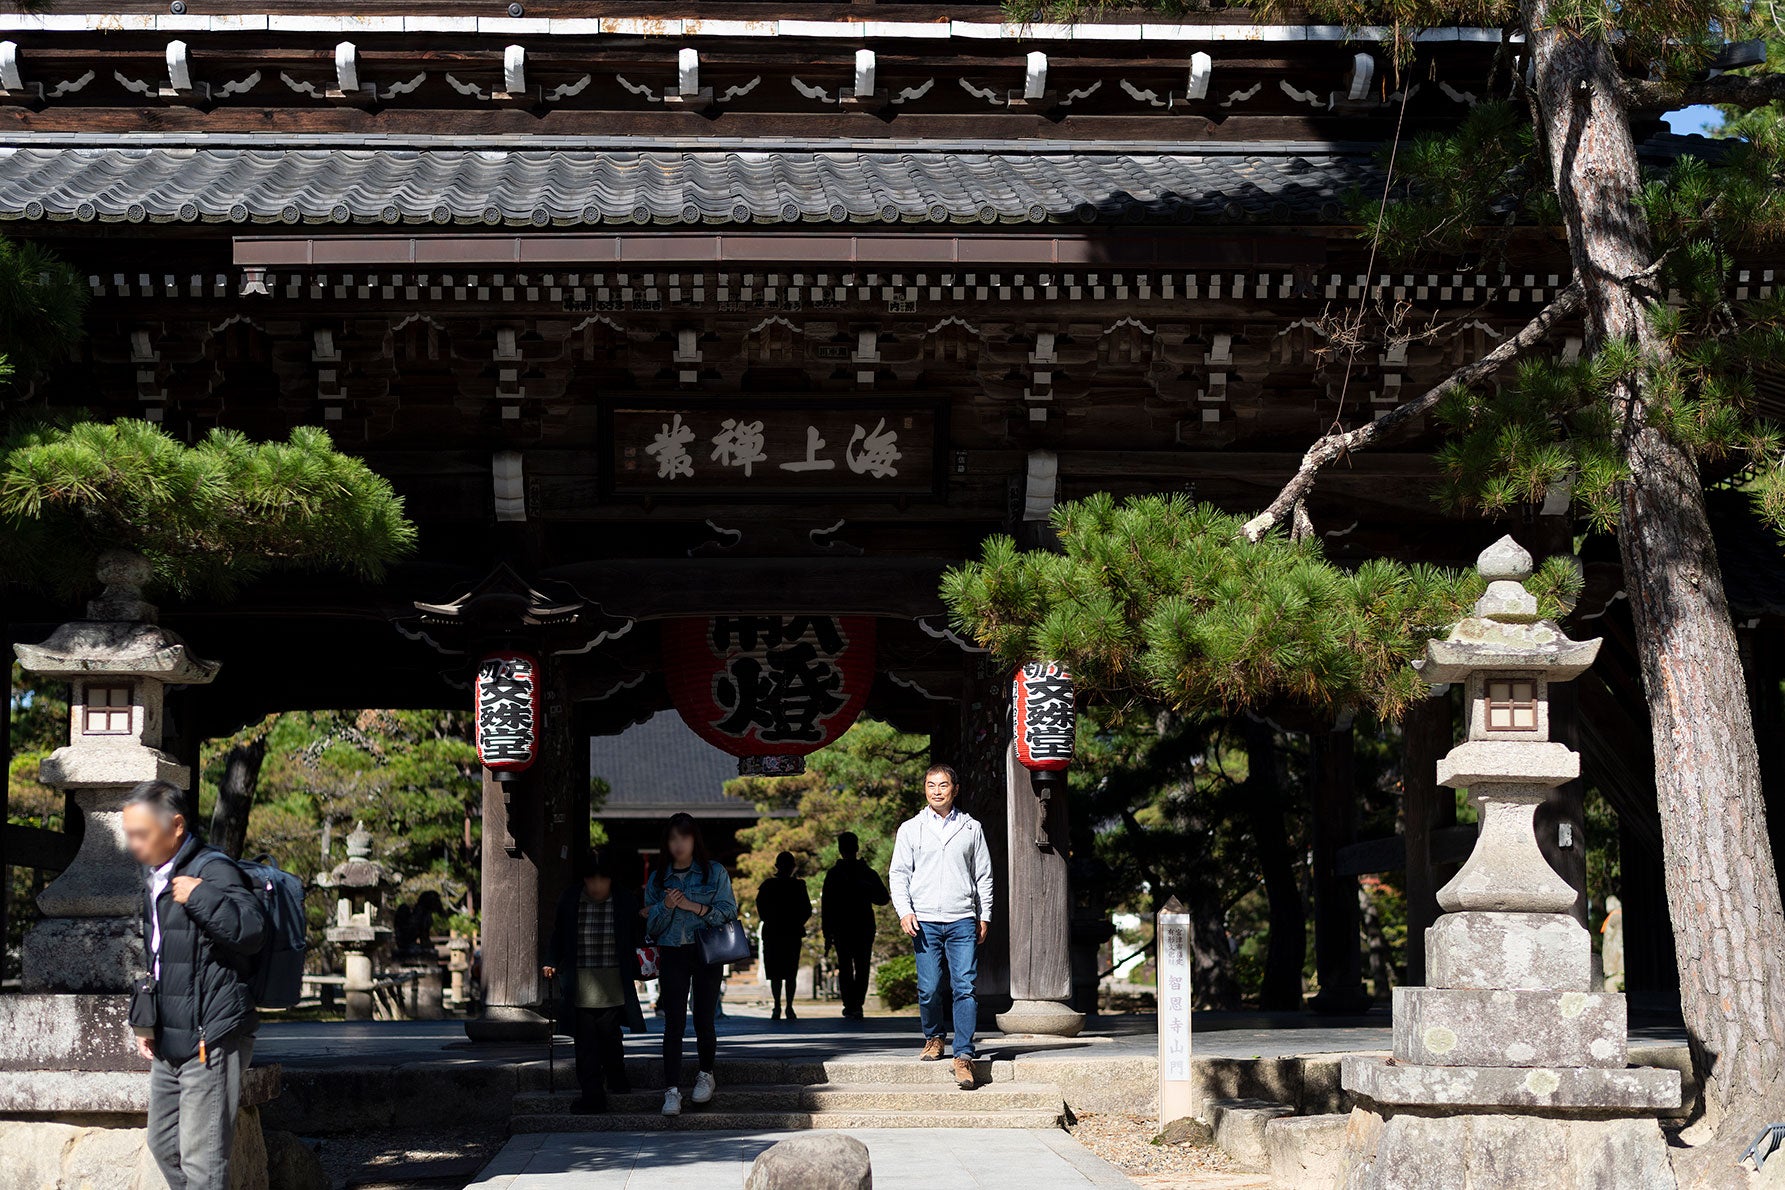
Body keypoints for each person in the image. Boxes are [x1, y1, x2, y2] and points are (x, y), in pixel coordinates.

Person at [121, 779, 268, 1190]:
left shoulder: (213, 869)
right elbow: (158, 957)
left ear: (177, 826)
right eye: (128, 833)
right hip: (170, 1035)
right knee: (163, 1144)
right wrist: (147, 1024)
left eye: (141, 834)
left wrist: (202, 897)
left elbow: (254, 931)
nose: (133, 844)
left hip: (212, 1036)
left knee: (203, 1160)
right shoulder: (156, 876)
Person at [888, 763, 994, 1091]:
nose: (937, 790)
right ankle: (933, 1037)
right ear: (924, 789)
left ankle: (963, 1054)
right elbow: (899, 873)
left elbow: (984, 875)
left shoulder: (971, 828)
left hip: (962, 917)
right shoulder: (911, 828)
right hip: (924, 920)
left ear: (955, 789)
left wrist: (984, 914)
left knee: (965, 987)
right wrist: (904, 911)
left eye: (943, 785)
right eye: (931, 784)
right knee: (930, 987)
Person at [643, 812, 738, 1116]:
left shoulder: (714, 872)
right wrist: (666, 906)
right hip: (672, 951)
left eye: (684, 837)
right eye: (672, 838)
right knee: (673, 1022)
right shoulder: (659, 879)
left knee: (704, 1017)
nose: (679, 844)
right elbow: (651, 927)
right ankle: (671, 1090)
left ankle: (706, 1074)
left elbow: (727, 911)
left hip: (707, 951)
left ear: (694, 839)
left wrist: (693, 906)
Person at [543, 849, 647, 1112]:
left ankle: (616, 1077)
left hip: (613, 980)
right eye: (592, 880)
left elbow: (637, 934)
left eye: (603, 880)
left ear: (611, 880)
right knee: (586, 1041)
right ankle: (592, 1093)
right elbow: (559, 934)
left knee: (610, 1036)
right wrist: (551, 961)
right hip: (580, 982)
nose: (597, 886)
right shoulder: (571, 899)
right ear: (584, 880)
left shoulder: (624, 900)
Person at [821, 831, 890, 1020]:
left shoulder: (838, 874)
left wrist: (827, 932)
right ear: (857, 848)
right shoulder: (865, 873)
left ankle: (851, 1004)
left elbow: (826, 906)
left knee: (848, 967)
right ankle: (855, 1004)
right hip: (860, 926)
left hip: (848, 927)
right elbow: (883, 898)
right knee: (861, 966)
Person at [755, 851, 812, 1021]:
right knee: (789, 972)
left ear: (776, 866)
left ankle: (777, 1006)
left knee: (776, 973)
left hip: (773, 931)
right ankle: (788, 1006)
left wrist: (771, 919)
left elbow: (761, 909)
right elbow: (806, 910)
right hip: (791, 932)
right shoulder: (799, 886)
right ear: (793, 867)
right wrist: (797, 922)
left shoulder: (767, 886)